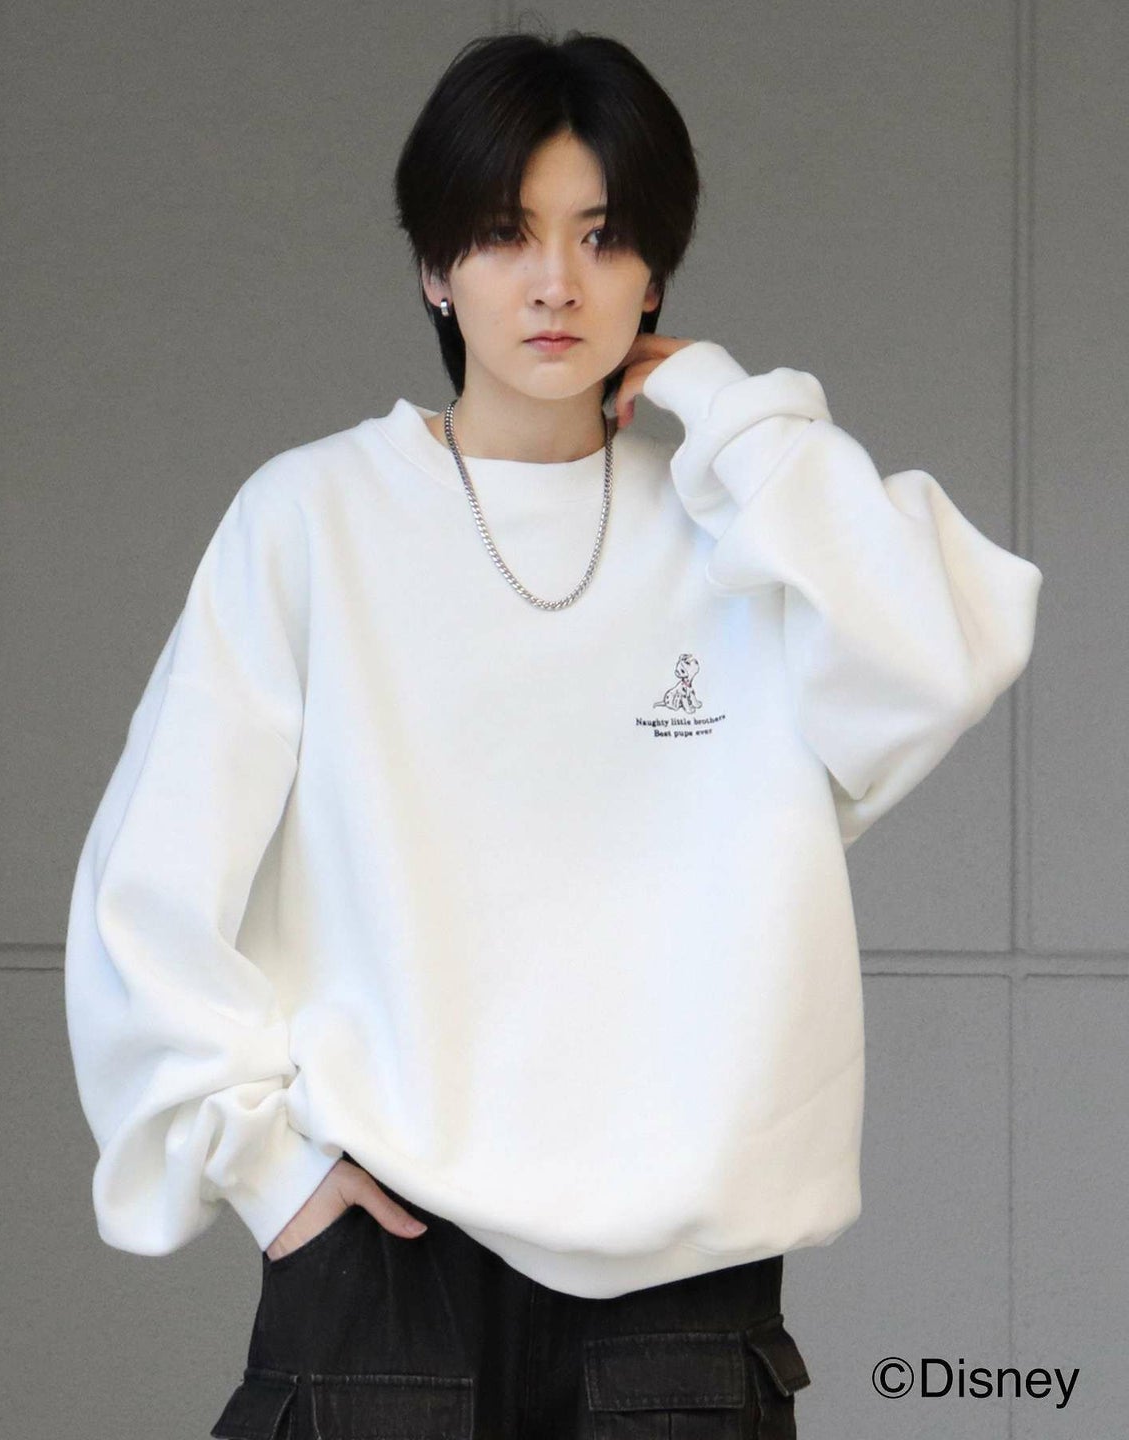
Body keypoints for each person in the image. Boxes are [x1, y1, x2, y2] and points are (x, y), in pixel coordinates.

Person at [63, 26, 1043, 1440]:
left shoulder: (738, 535)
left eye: (602, 236)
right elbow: (145, 885)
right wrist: (268, 1171)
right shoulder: (312, 519)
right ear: (434, 266)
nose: (555, 283)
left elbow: (939, 648)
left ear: (656, 274)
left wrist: (730, 410)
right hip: (383, 1277)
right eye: (505, 233)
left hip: (685, 1304)